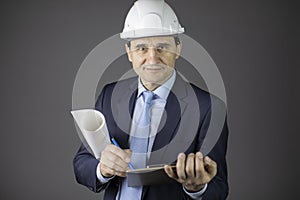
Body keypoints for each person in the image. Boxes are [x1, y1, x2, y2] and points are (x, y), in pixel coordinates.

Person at [73, 0, 229, 199]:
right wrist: (102, 169)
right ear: (129, 52)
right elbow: (82, 162)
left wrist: (196, 188)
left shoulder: (209, 108)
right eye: (142, 48)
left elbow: (219, 189)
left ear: (178, 49)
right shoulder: (110, 95)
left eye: (162, 47)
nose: (153, 59)